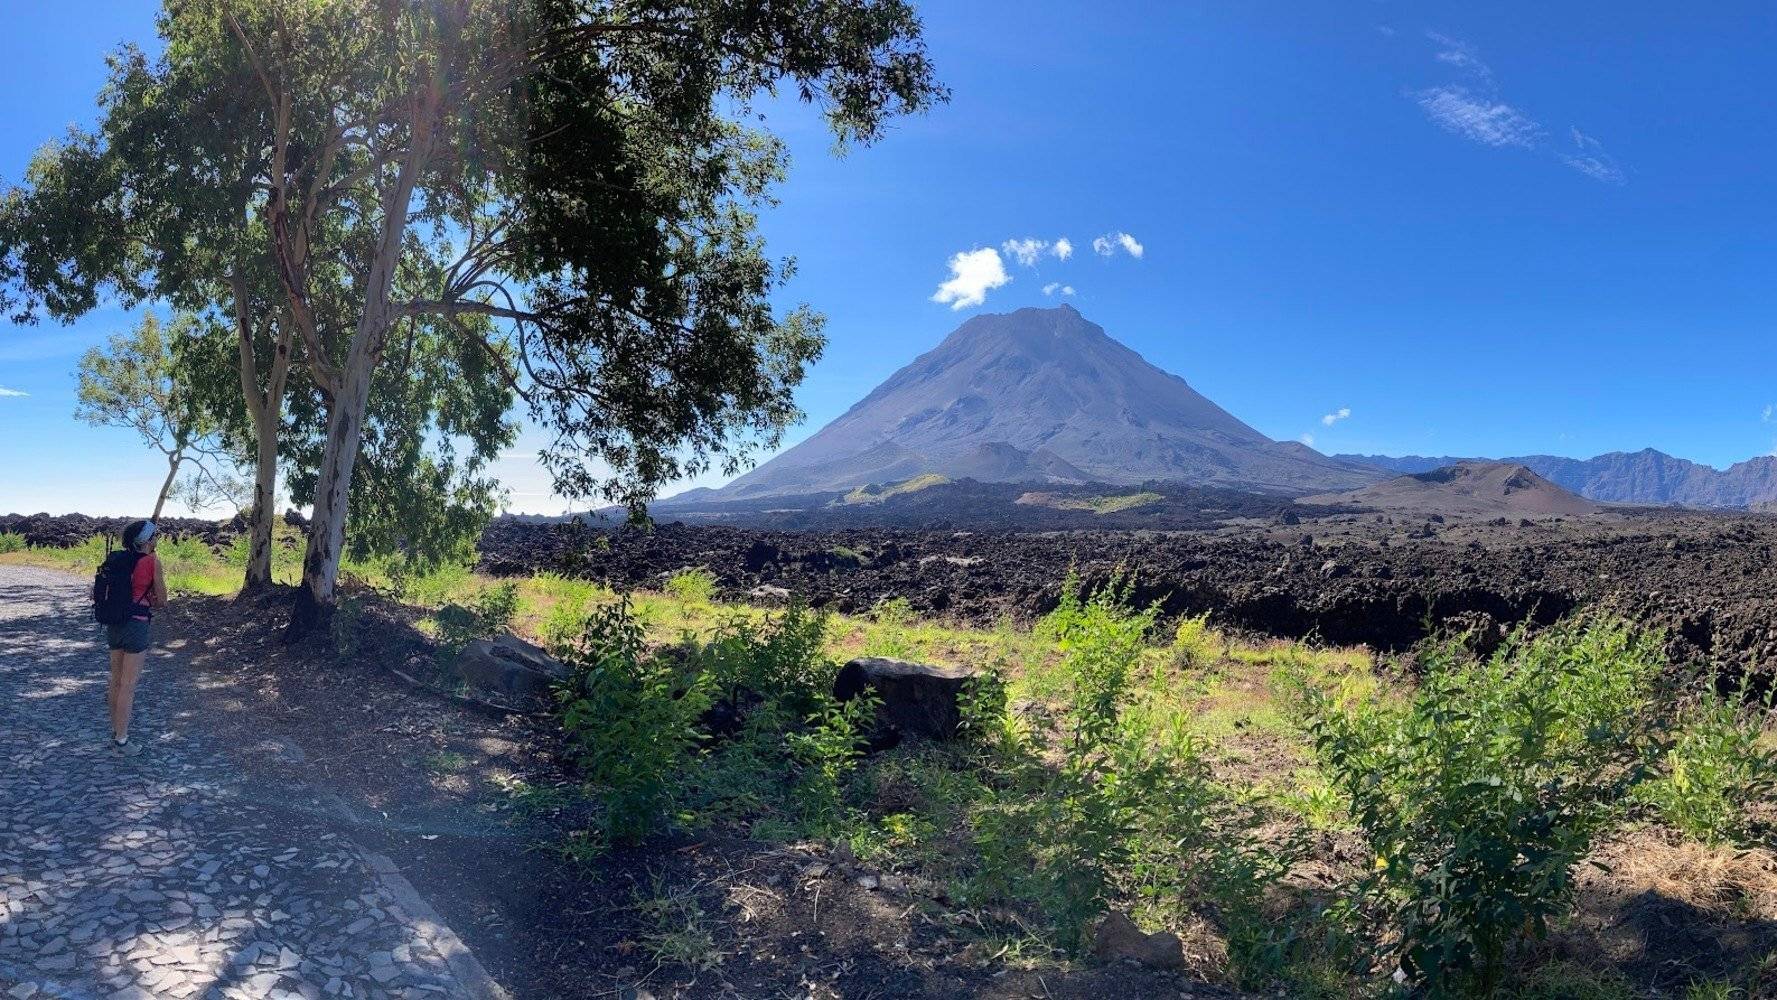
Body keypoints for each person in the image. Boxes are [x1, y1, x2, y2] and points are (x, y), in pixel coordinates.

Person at [106, 519, 167, 755]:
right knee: (128, 686)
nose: (157, 540)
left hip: (114, 624)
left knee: (116, 680)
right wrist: (150, 598)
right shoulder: (151, 562)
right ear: (147, 541)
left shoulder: (116, 560)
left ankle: (116, 731)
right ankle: (122, 740)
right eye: (155, 536)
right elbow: (162, 600)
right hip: (137, 626)